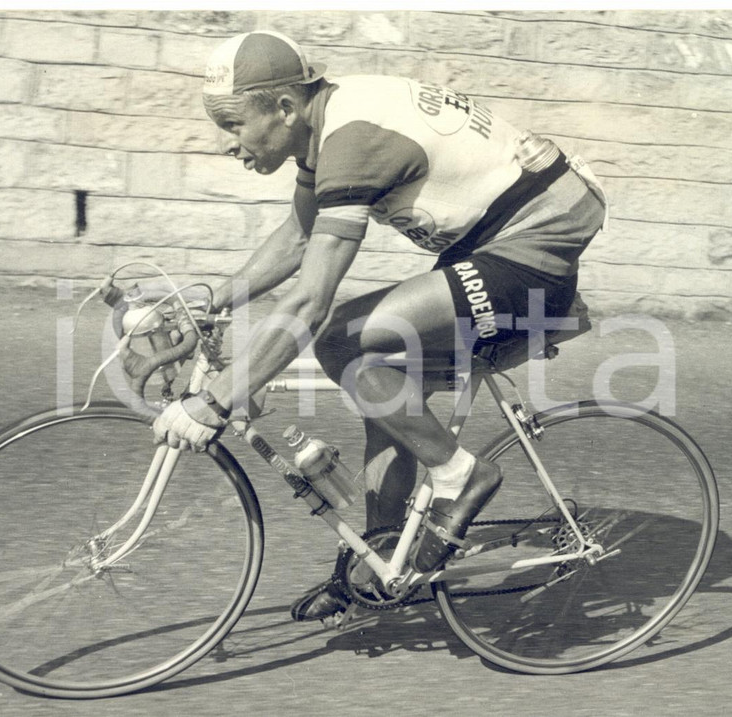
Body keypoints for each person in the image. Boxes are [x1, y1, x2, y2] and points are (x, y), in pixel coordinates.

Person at [153, 30, 608, 621]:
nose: (228, 146)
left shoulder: (355, 138)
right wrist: (211, 303)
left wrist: (215, 401)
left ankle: (461, 475)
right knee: (384, 382)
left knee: (341, 336)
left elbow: (309, 302)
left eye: (234, 125)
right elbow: (298, 236)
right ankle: (379, 566)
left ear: (284, 107)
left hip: (539, 244)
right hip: (492, 243)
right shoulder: (328, 126)